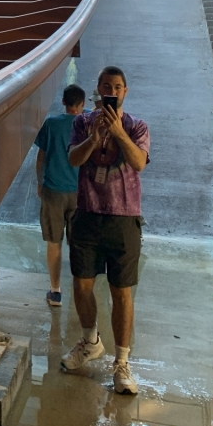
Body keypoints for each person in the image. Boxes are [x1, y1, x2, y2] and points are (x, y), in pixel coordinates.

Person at [60, 66, 150, 396]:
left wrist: (118, 133)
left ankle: (122, 363)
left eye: (117, 86)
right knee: (82, 285)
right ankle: (90, 341)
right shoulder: (83, 122)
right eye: (106, 86)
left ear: (125, 91)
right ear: (97, 89)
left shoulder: (136, 126)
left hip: (124, 218)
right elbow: (73, 159)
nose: (112, 90)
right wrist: (95, 137)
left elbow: (139, 162)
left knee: (121, 291)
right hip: (87, 214)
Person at [35, 84, 86, 307]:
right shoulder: (87, 124)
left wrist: (40, 183)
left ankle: (55, 290)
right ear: (82, 104)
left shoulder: (51, 124)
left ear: (64, 102)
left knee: (54, 242)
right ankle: (81, 288)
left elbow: (41, 158)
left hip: (53, 190)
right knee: (78, 244)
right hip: (80, 193)